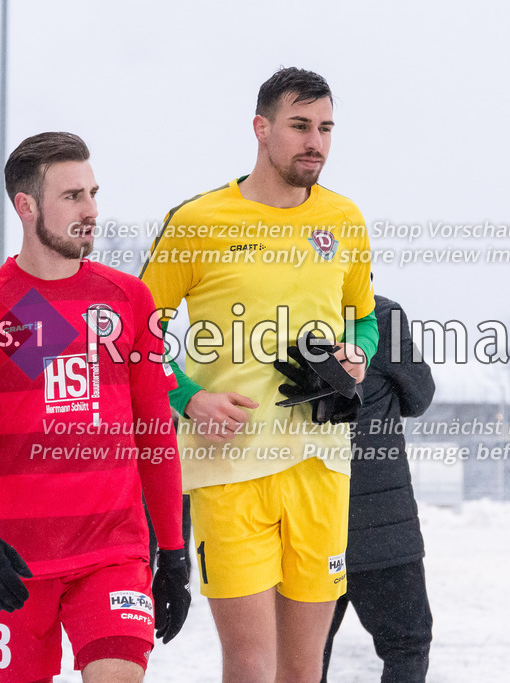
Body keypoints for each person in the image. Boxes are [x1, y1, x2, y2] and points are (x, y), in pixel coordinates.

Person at [141, 67, 378, 682]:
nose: (315, 142)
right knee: (251, 664)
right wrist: (190, 399)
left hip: (322, 465)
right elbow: (133, 338)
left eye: (325, 128)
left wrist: (355, 354)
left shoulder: (345, 220)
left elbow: (366, 320)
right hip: (232, 470)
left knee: (303, 671)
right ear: (261, 128)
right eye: (300, 126)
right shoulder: (197, 221)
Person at [0, 132, 190, 683]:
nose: (91, 210)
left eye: (93, 193)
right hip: (12, 563)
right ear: (26, 206)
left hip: (113, 556)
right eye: (73, 196)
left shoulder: (126, 300)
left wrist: (172, 550)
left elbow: (155, 434)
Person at [321, 294, 435, 683]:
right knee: (406, 644)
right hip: (382, 522)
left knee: (300, 654)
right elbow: (419, 398)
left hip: (305, 514)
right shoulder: (383, 316)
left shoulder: (280, 313)